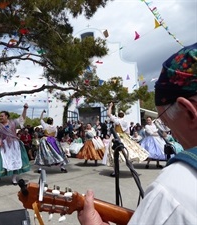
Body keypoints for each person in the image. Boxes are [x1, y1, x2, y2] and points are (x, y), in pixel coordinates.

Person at [78, 43, 197, 224]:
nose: (170, 130)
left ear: (189, 112)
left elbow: (111, 118)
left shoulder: (173, 189)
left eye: (164, 120)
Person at [0, 104, 30, 186]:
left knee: (16, 161)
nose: (0, 117)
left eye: (2, 116)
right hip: (3, 146)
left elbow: (22, 119)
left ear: (6, 116)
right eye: (0, 116)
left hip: (14, 145)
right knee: (1, 161)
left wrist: (25, 109)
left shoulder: (13, 122)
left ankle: (14, 179)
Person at [105, 103, 149, 175]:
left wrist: (110, 106)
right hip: (123, 136)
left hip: (116, 137)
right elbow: (128, 132)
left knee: (114, 154)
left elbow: (109, 114)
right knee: (127, 152)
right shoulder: (125, 122)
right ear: (123, 115)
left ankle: (116, 171)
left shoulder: (117, 120)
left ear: (118, 115)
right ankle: (130, 169)